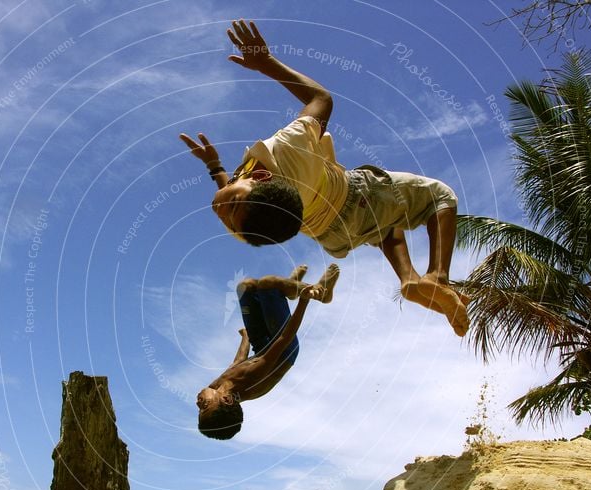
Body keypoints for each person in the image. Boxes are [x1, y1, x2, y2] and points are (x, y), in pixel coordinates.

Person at [180, 20, 469, 336]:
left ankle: (409, 278)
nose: (220, 208)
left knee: (386, 227)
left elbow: (231, 197)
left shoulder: (250, 228)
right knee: (440, 196)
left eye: (228, 208)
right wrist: (267, 64)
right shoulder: (288, 153)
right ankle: (438, 276)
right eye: (230, 209)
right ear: (261, 182)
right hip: (357, 198)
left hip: (332, 236)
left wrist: (214, 167)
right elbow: (321, 99)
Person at [197, 263, 339, 439]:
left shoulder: (216, 387)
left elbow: (237, 362)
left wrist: (245, 337)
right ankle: (319, 293)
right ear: (227, 400)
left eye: (199, 409)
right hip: (284, 350)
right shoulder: (251, 381)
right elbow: (283, 339)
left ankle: (290, 286)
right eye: (204, 406)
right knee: (267, 284)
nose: (198, 402)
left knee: (245, 286)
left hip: (261, 346)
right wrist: (304, 301)